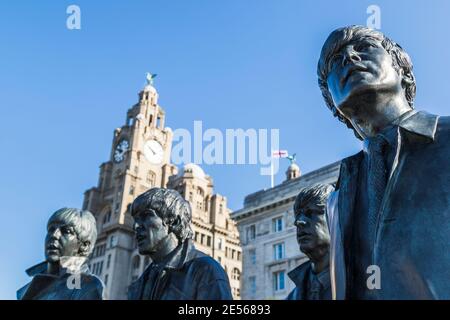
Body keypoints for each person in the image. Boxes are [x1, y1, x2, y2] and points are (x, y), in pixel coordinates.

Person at [317, 25, 450, 299]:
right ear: (332, 102)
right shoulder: (337, 199)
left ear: (403, 70)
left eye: (364, 47)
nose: (350, 58)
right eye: (336, 61)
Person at [127, 187, 233, 300]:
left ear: (174, 221)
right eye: (136, 220)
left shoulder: (205, 271)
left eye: (146, 216)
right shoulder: (138, 286)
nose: (136, 226)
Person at [17, 208, 104, 300]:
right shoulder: (28, 288)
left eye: (67, 231)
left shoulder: (87, 286)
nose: (54, 235)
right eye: (51, 229)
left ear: (84, 246)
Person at [286, 184, 333, 300]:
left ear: (334, 217)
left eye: (311, 213)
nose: (298, 222)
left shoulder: (365, 282)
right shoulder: (294, 296)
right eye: (298, 215)